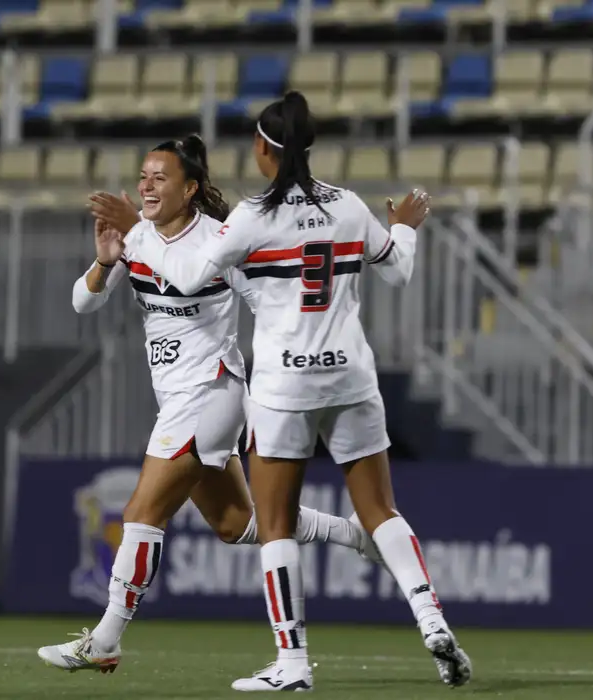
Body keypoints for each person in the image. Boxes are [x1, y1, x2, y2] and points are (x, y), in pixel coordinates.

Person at [103, 91, 472, 693]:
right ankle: (431, 620)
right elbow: (398, 269)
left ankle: (293, 662)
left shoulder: (253, 216)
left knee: (274, 524)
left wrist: (136, 233)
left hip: (284, 383)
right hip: (350, 375)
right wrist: (403, 228)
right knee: (381, 510)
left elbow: (190, 275)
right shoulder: (347, 205)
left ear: (263, 148)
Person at [37, 134, 379, 674]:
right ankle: (357, 534)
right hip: (177, 397)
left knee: (141, 513)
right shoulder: (138, 237)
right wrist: (105, 262)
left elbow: (250, 293)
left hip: (212, 389)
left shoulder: (218, 241)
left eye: (161, 178)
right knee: (235, 523)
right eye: (143, 177)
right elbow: (83, 302)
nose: (147, 187)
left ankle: (105, 638)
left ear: (190, 188)